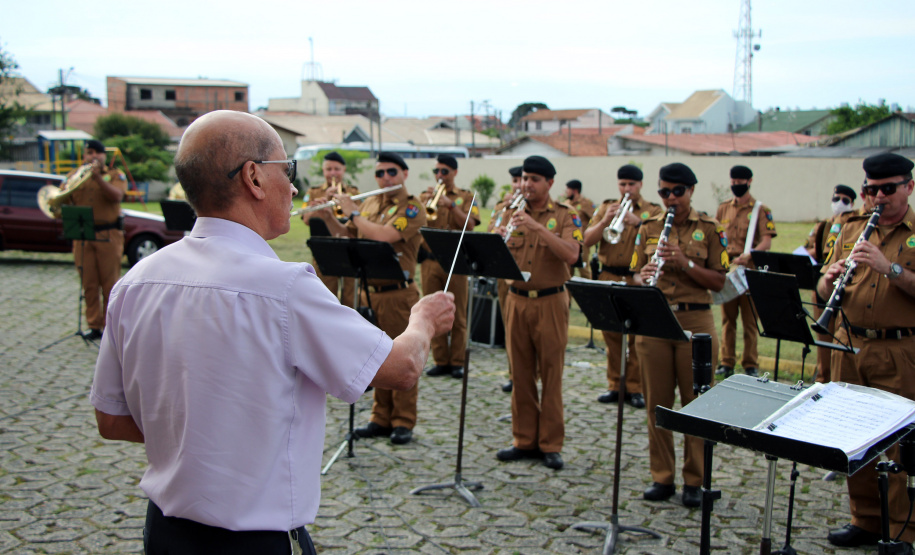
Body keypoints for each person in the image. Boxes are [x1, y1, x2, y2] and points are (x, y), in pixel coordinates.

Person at [90, 111, 455, 554]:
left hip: (165, 533)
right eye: (288, 171)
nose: (297, 188)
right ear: (254, 178)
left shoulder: (136, 281)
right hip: (253, 542)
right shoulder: (285, 288)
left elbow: (111, 420)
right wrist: (423, 320)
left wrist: (197, 434)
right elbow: (401, 368)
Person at [818, 152, 915, 549]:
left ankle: (902, 532)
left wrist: (888, 267)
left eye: (888, 189)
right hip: (850, 344)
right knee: (852, 438)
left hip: (899, 349)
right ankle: (866, 519)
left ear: (908, 186)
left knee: (896, 446)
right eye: (871, 190)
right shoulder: (849, 227)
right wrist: (828, 279)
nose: (878, 197)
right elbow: (825, 291)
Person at [632, 162, 727, 508]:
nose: (670, 198)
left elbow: (720, 282)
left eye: (677, 192)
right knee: (657, 403)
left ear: (691, 191)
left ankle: (695, 480)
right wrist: (643, 276)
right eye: (664, 192)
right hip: (656, 320)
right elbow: (634, 277)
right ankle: (662, 476)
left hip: (695, 321)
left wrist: (684, 261)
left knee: (697, 405)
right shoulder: (648, 227)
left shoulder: (711, 228)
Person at [325, 151, 427, 446]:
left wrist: (354, 212)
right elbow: (350, 235)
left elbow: (383, 236)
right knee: (375, 357)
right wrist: (328, 215)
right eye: (380, 173)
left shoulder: (412, 209)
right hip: (370, 291)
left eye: (391, 172)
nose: (385, 179)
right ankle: (380, 417)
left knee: (402, 358)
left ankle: (403, 420)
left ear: (405, 174)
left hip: (398, 292)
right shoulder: (370, 202)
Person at [494, 155, 583, 471]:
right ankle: (523, 439)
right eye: (524, 178)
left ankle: (550, 444)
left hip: (550, 301)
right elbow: (493, 252)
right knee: (520, 373)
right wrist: (498, 233)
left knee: (551, 373)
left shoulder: (565, 216)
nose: (526, 184)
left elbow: (572, 255)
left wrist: (536, 227)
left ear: (549, 183)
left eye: (534, 179)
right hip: (516, 299)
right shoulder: (509, 211)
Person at [584, 164, 663, 408]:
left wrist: (638, 222)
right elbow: (587, 239)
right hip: (608, 275)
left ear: (640, 185)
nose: (626, 189)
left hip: (635, 278)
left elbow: (660, 239)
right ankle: (614, 385)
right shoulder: (607, 206)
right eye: (622, 184)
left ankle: (635, 387)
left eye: (631, 184)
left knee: (637, 337)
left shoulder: (653, 210)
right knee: (612, 335)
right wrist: (606, 220)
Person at [420, 154, 480, 379]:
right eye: (437, 171)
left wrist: (452, 205)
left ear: (454, 172)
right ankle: (440, 360)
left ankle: (457, 362)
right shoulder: (426, 196)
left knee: (458, 313)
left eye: (444, 171)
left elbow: (471, 224)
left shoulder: (466, 197)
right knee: (431, 311)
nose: (439, 176)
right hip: (429, 261)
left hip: (456, 262)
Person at [61, 139, 128, 341]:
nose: (93, 157)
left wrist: (99, 178)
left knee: (109, 284)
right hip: (83, 237)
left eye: (96, 153)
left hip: (108, 235)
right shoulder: (74, 176)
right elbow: (63, 199)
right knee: (88, 283)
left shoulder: (115, 175)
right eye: (89, 153)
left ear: (103, 156)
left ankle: (110, 326)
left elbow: (117, 196)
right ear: (84, 156)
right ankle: (93, 325)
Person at [714, 165, 776, 378]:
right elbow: (718, 237)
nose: (736, 185)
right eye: (733, 181)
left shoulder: (761, 210)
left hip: (749, 271)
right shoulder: (723, 208)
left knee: (750, 322)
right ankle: (726, 361)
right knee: (727, 320)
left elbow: (766, 242)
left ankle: (750, 363)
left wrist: (749, 255)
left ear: (749, 181)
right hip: (728, 270)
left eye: (740, 181)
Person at [804, 184, 857, 383]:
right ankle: (822, 376)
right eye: (836, 199)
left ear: (853, 203)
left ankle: (836, 378)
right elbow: (810, 247)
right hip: (823, 280)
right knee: (823, 337)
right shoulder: (824, 224)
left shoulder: (853, 222)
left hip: (846, 283)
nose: (839, 203)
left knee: (841, 334)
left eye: (845, 200)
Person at [300, 151, 360, 307]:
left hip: (349, 250)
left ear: (344, 170)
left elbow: (359, 219)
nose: (333, 173)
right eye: (329, 169)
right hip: (323, 251)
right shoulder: (313, 192)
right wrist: (325, 200)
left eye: (337, 169)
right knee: (325, 297)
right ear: (323, 171)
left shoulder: (353, 192)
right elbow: (306, 219)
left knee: (350, 298)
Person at [489, 166, 523, 393]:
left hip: (526, 274)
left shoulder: (532, 209)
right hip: (504, 273)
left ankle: (529, 374)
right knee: (510, 327)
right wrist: (497, 231)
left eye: (522, 179)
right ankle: (514, 372)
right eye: (515, 180)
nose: (518, 184)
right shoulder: (502, 207)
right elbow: (489, 230)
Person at [565, 179, 596, 279]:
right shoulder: (566, 204)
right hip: (568, 241)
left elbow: (595, 219)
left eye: (568, 190)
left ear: (575, 191)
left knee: (584, 270)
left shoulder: (586, 203)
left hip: (582, 243)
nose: (566, 192)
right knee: (568, 271)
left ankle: (588, 292)